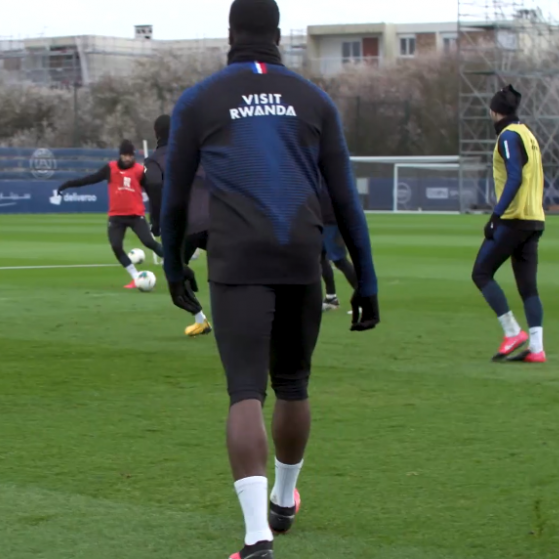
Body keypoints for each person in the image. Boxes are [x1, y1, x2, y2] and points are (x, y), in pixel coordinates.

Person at [159, 1, 380, 557]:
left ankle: (258, 536)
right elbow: (347, 200)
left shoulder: (199, 99)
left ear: (230, 34)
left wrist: (173, 265)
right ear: (279, 35)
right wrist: (367, 280)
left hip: (237, 262)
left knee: (244, 393)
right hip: (301, 258)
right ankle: (285, 499)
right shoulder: (315, 99)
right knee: (294, 384)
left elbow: (176, 197)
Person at [471, 84, 546, 363]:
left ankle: (512, 331)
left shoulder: (508, 136)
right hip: (534, 219)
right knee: (528, 286)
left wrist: (496, 216)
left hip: (514, 219)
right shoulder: (528, 134)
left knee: (481, 273)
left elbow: (514, 177)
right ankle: (537, 349)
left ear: (494, 111)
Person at [57, 139, 163, 289]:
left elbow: (153, 192)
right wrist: (68, 184)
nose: (128, 158)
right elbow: (90, 179)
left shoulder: (139, 171)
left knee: (149, 242)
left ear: (133, 156)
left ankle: (175, 262)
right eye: (125, 155)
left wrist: (156, 213)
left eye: (130, 155)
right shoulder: (110, 168)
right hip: (116, 217)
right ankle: (135, 277)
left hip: (136, 216)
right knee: (116, 246)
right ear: (120, 155)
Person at [144, 114, 212, 336]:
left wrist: (156, 222)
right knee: (234, 267)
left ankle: (200, 319)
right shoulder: (197, 154)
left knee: (175, 279)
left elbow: (154, 185)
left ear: (156, 133)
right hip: (215, 221)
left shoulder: (155, 160)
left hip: (185, 226)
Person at [317, 182, 358, 311]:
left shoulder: (332, 176)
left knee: (339, 260)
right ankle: (331, 298)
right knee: (321, 258)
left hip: (332, 223)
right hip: (319, 221)